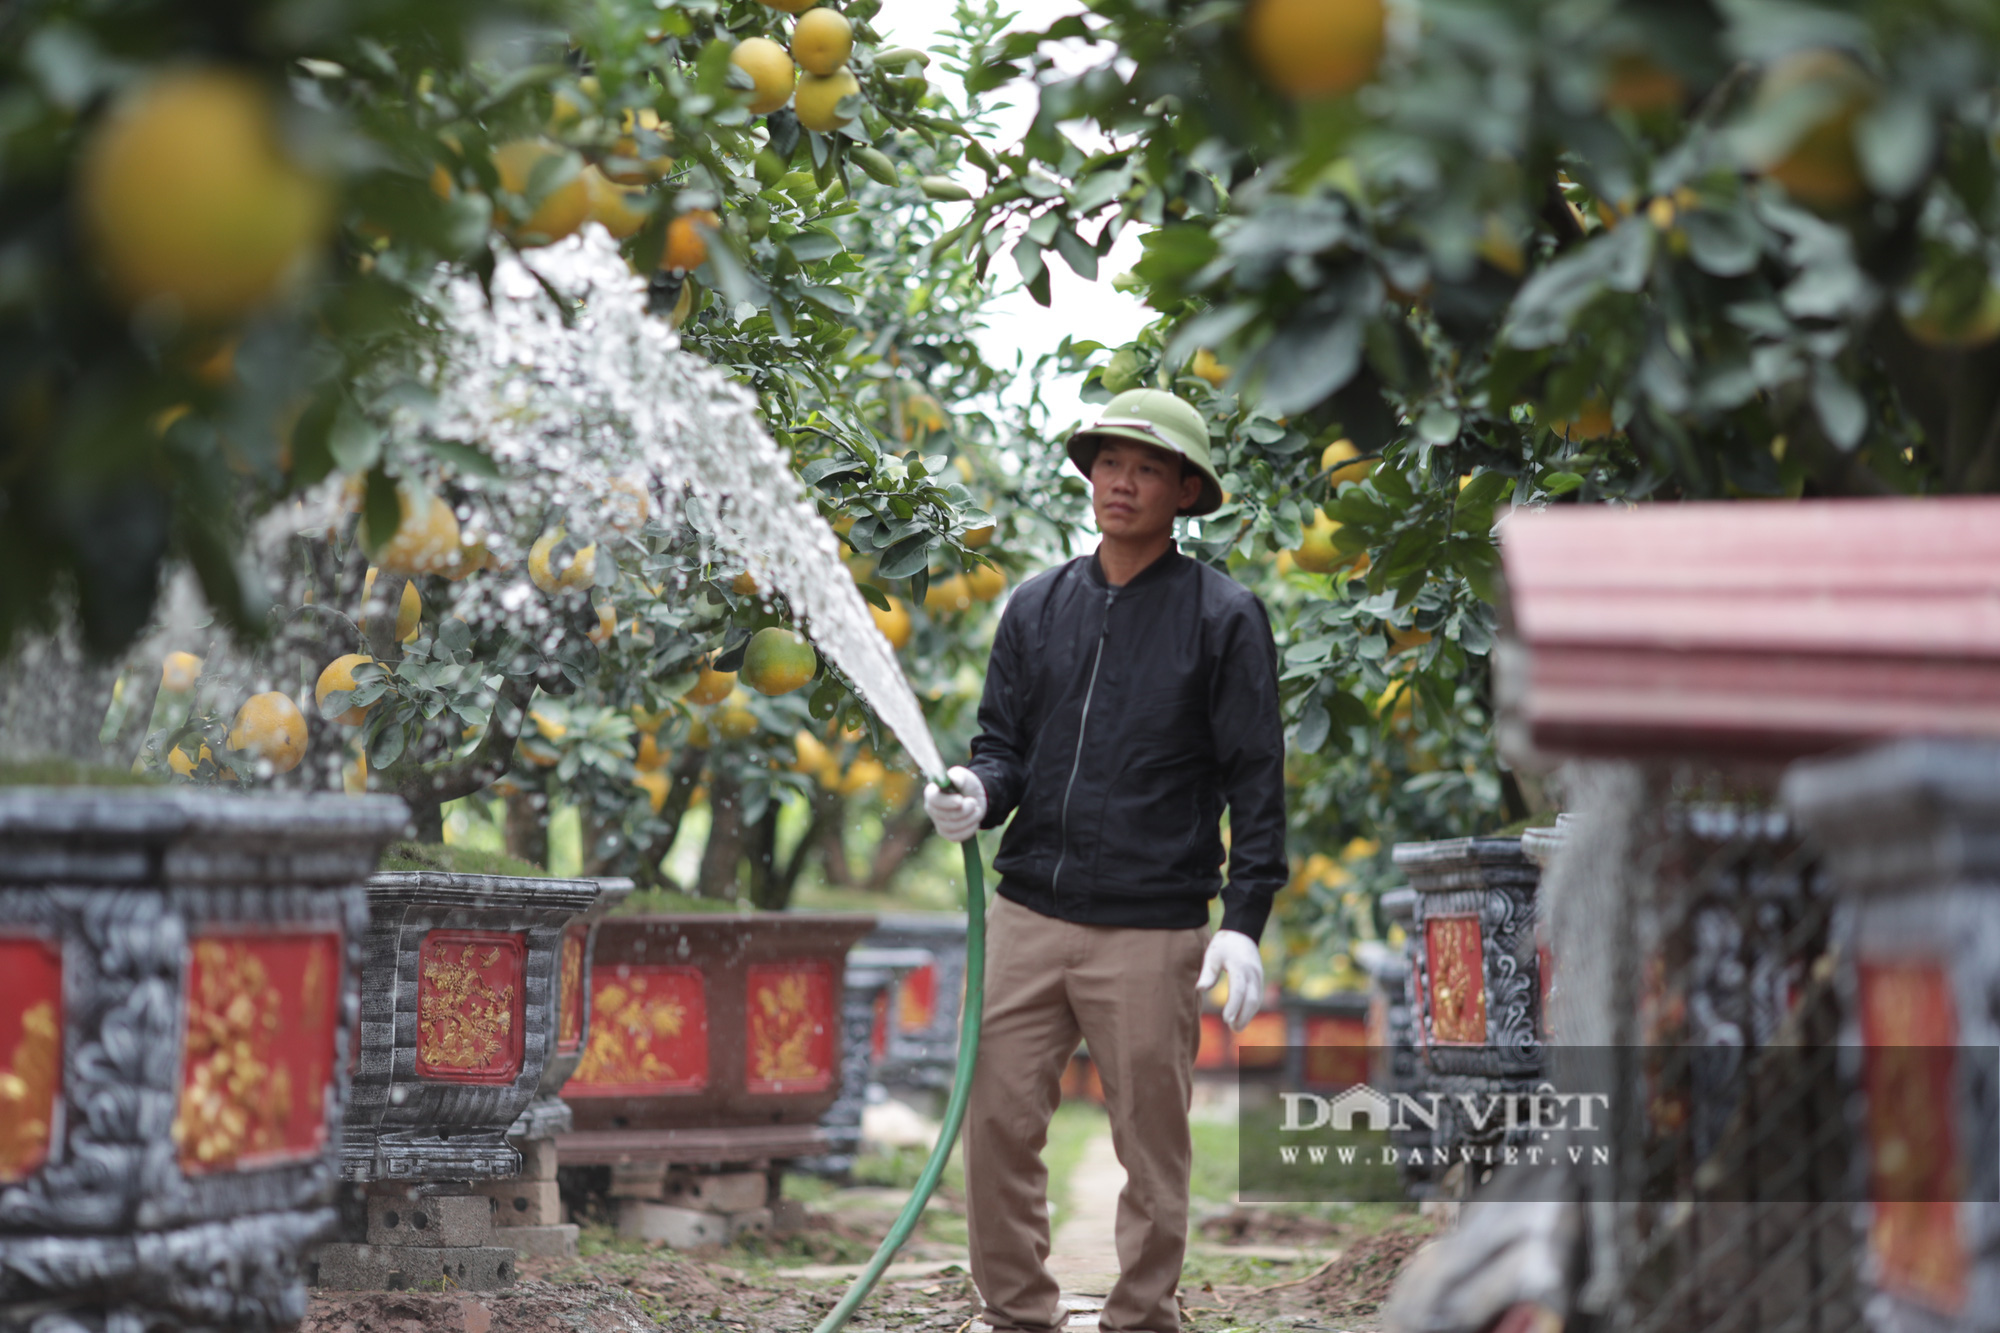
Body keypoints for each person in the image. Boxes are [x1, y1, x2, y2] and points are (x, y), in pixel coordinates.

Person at [923, 387, 1287, 1333]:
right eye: (1111, 463)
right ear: (1090, 477)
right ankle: (1016, 1314)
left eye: (1149, 467)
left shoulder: (1223, 617)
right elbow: (1003, 745)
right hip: (1029, 914)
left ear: (1184, 491)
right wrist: (975, 793)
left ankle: (1140, 1317)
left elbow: (1258, 780)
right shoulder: (1037, 605)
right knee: (996, 1124)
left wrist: (1243, 923)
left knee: (1152, 1147)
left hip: (1152, 927)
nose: (1123, 481)